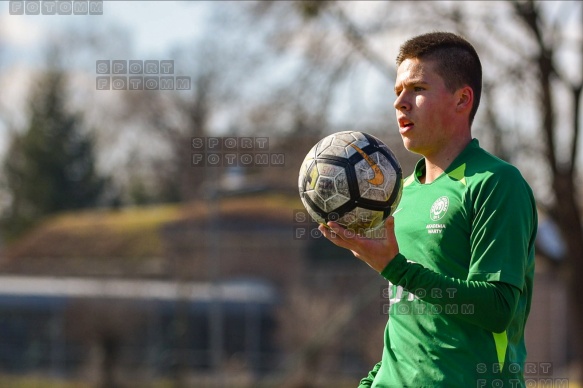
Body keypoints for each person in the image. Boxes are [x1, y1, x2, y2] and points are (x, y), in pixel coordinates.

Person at [319, 32, 537, 387]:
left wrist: (396, 268)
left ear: (462, 99)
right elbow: (410, 324)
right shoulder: (400, 194)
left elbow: (497, 308)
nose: (400, 103)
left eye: (417, 88)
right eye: (397, 92)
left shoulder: (496, 183)